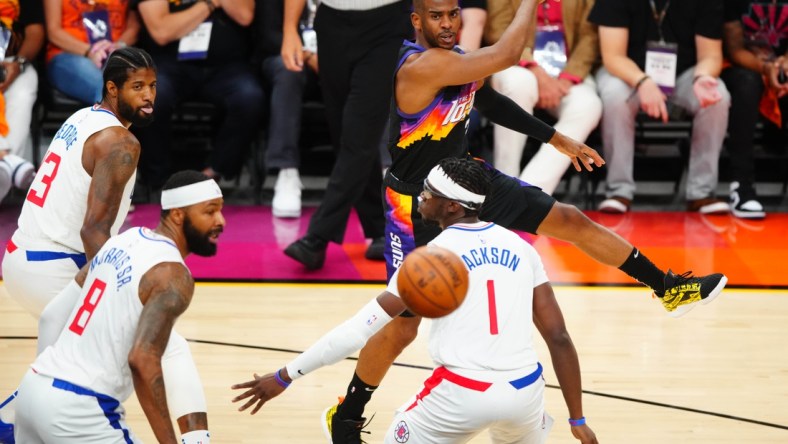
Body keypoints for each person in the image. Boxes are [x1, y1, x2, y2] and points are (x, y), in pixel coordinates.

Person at [312, 0, 728, 441]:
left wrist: (554, 137)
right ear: (416, 21)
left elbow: (487, 98)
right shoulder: (420, 66)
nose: (449, 23)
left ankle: (667, 287)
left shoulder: (454, 61)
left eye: (454, 13)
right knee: (404, 323)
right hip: (418, 202)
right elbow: (508, 55)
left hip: (467, 181)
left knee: (571, 220)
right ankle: (347, 413)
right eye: (437, 16)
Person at [232, 158, 598, 444]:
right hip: (526, 394)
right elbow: (559, 338)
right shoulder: (522, 247)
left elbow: (360, 329)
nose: (419, 196)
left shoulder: (430, 259)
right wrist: (577, 419)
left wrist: (285, 376)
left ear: (453, 207)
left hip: (461, 394)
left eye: (428, 192)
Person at [0, 47, 210, 444]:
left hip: (25, 256)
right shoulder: (121, 144)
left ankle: (16, 423)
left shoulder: (83, 117)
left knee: (61, 367)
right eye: (137, 87)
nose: (149, 96)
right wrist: (117, 284)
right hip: (54, 261)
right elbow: (94, 231)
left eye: (152, 86)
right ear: (112, 89)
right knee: (169, 346)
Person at [14, 171, 225, 443]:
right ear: (177, 215)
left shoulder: (122, 240)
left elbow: (51, 316)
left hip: (33, 388)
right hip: (80, 410)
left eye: (220, 211)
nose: (221, 221)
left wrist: (46, 384)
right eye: (209, 212)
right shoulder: (173, 274)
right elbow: (142, 361)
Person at [280, 0, 413, 270]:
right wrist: (289, 30)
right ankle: (378, 227)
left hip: (387, 24)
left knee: (359, 134)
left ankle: (318, 237)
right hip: (331, 24)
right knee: (345, 134)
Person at [589, 0, 732, 214]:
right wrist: (642, 81)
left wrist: (702, 77)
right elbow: (613, 57)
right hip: (627, 74)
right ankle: (618, 190)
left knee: (717, 96)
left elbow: (711, 55)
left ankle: (701, 192)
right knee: (615, 96)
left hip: (684, 74)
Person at [133, 0, 263, 189]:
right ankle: (159, 180)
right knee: (150, 96)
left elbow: (244, 15)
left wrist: (186, 18)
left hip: (227, 66)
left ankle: (213, 172)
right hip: (170, 63)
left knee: (250, 97)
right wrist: (209, 5)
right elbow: (162, 32)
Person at [484, 0, 602, 195]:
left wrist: (567, 78)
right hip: (516, 63)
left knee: (588, 105)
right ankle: (504, 184)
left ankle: (531, 192)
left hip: (566, 72)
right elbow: (499, 30)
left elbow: (590, 36)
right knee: (519, 85)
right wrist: (536, 72)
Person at [720, 0, 788, 219]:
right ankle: (742, 186)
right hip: (742, 66)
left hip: (781, 65)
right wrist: (768, 68)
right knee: (747, 86)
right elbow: (734, 50)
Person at [255, 0, 320, 218]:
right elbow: (268, 36)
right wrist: (308, 55)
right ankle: (286, 172)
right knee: (288, 72)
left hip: (337, 62)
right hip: (286, 57)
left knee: (376, 72)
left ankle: (385, 171)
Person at [44, 0, 140, 104]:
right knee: (108, 87)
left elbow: (134, 25)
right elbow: (53, 31)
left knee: (139, 85)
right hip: (68, 55)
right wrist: (90, 51)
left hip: (115, 51)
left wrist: (118, 46)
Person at [0, 0, 44, 202]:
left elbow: (35, 31)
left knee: (24, 91)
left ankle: (4, 175)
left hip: (12, 63)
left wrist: (18, 63)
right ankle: (8, 161)